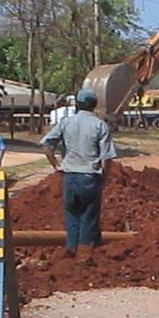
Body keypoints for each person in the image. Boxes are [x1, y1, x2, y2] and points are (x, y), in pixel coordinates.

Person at [40, 89, 118, 255]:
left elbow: (46, 145)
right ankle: (85, 254)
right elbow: (107, 157)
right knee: (89, 216)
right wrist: (105, 177)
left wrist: (56, 166)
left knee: (72, 216)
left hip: (70, 177)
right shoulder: (100, 125)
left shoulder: (66, 123)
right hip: (90, 177)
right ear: (95, 105)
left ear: (77, 104)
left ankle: (71, 250)